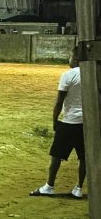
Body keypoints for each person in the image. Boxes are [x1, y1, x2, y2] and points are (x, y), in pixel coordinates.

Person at [30, 47, 85, 199]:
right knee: (84, 157)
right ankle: (79, 188)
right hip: (86, 123)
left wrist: (55, 121)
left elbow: (59, 102)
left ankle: (49, 186)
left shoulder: (68, 75)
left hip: (68, 122)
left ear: (75, 59)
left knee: (56, 156)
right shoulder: (92, 74)